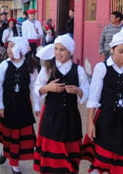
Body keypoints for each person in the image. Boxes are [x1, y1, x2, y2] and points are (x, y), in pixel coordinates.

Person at [82, 28, 123, 174]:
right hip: (106, 120)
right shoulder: (102, 68)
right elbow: (93, 98)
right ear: (112, 49)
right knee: (102, 159)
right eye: (121, 51)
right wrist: (90, 124)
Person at [34, 34, 89, 174]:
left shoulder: (79, 70)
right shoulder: (48, 68)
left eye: (62, 49)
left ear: (70, 51)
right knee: (52, 151)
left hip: (70, 117)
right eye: (56, 49)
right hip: (51, 116)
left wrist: (78, 91)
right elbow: (37, 87)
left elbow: (87, 91)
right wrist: (47, 88)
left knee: (69, 153)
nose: (58, 53)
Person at [0, 37, 41, 174]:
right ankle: (7, 153)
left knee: (18, 137)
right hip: (8, 106)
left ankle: (13, 162)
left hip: (23, 106)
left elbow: (34, 87)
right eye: (8, 47)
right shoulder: (4, 65)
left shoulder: (30, 66)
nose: (8, 50)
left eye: (12, 47)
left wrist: (37, 106)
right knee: (9, 134)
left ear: (20, 48)